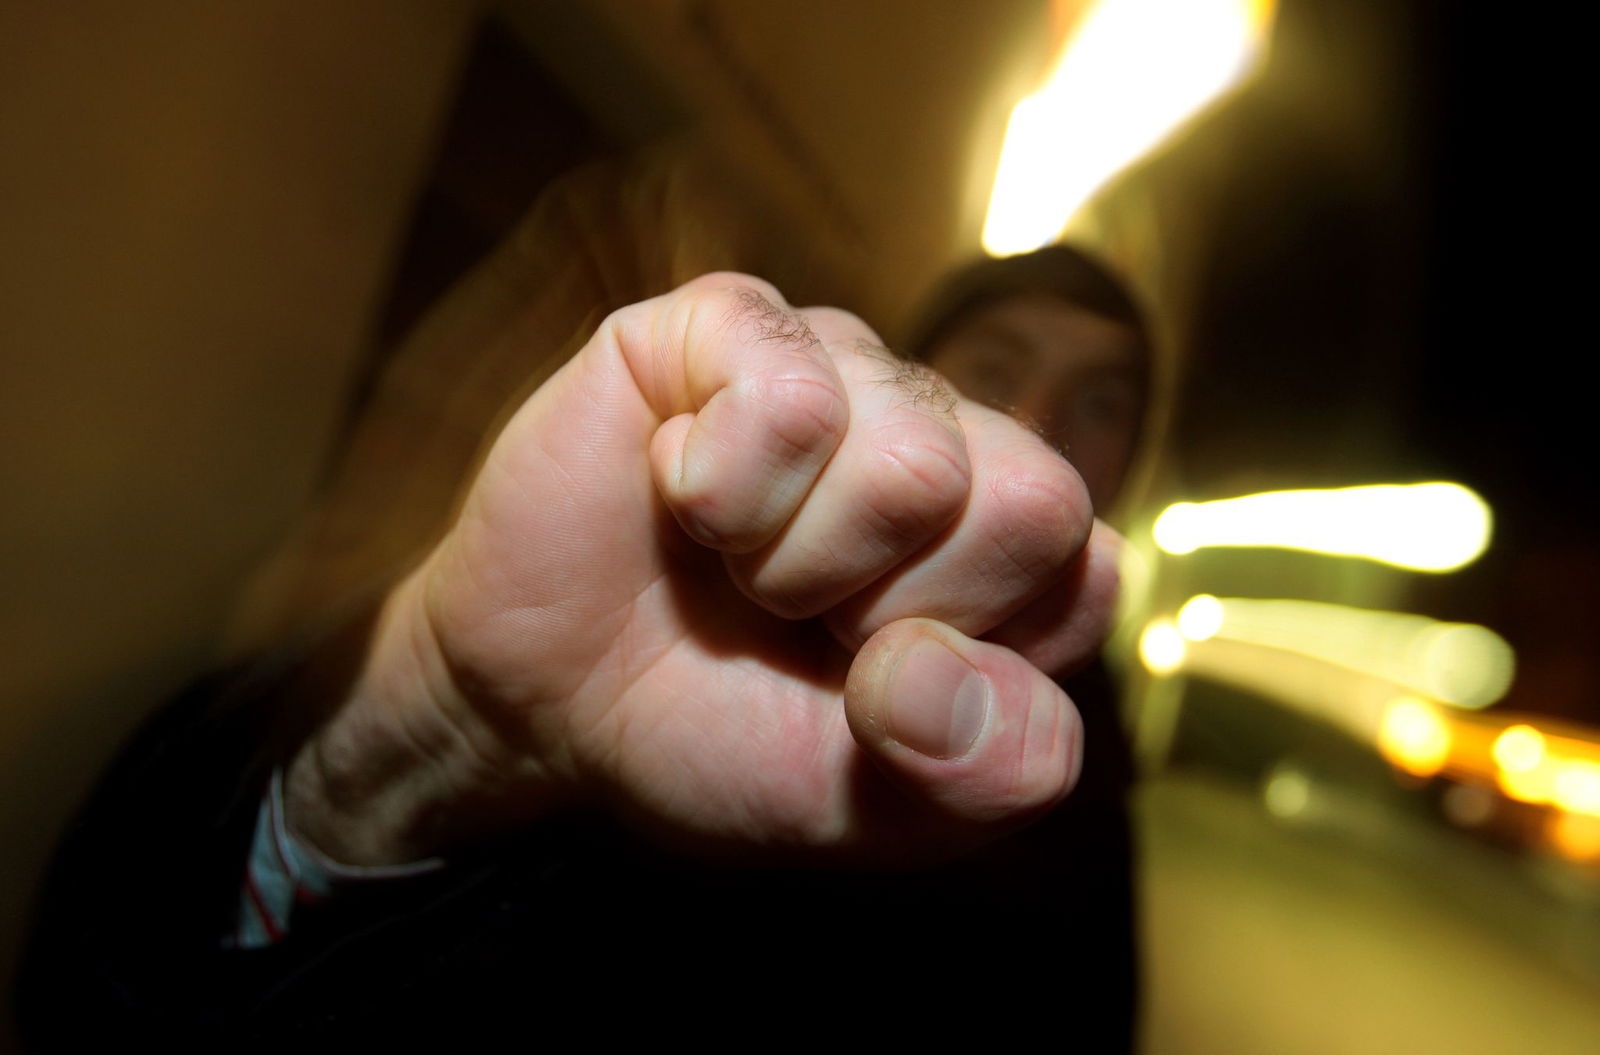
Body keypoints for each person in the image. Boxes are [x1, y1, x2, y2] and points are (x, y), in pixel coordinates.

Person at [19, 251, 1148, 1046]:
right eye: (997, 366)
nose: (1044, 413)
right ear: (920, 375)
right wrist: (453, 721)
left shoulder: (1091, 788)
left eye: (1098, 400)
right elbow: (99, 991)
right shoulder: (696, 592)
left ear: (1134, 458)